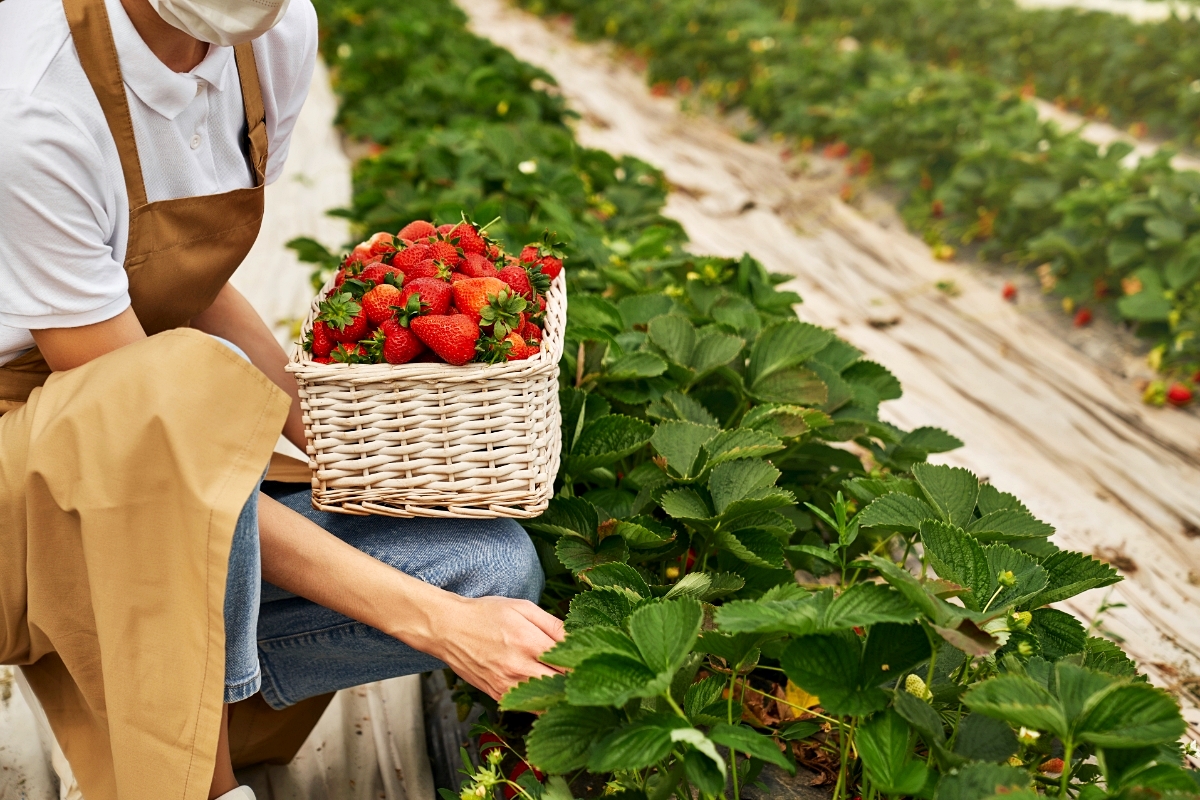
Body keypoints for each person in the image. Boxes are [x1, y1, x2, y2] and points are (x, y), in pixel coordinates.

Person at [0, 0, 565, 798]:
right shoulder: (31, 101)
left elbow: (182, 280)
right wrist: (429, 621)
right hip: (26, 477)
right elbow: (154, 439)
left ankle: (135, 704)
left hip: (154, 422)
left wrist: (347, 444)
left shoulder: (271, 35)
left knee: (486, 568)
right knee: (184, 387)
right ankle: (181, 770)